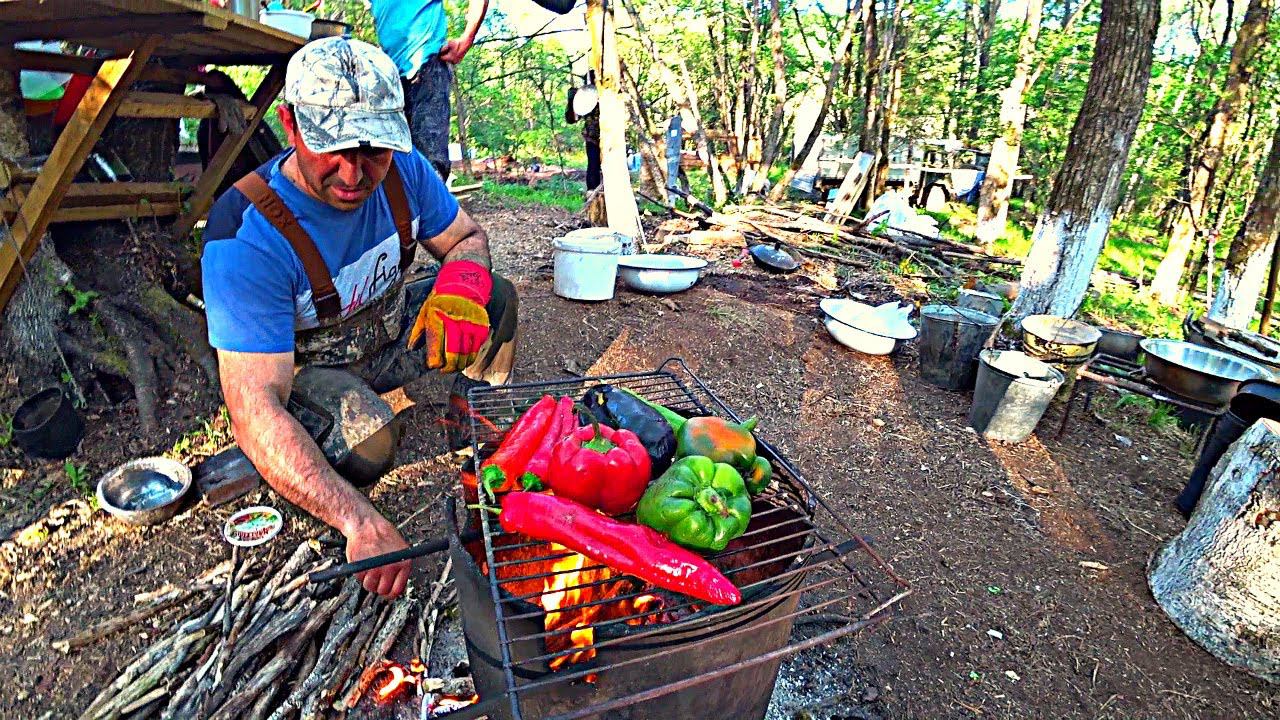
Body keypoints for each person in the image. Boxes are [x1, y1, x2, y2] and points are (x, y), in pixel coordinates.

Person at [200, 37, 518, 599]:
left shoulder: (407, 172)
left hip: (393, 331)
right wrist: (359, 522)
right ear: (290, 125)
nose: (353, 174)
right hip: (317, 370)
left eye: (373, 150)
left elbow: (467, 237)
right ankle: (348, 436)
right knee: (370, 444)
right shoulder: (245, 234)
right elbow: (252, 409)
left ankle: (477, 418)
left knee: (497, 296)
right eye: (334, 149)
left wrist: (460, 290)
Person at [370, 0, 490, 181]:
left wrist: (467, 39)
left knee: (429, 164)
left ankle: (433, 207)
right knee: (390, 164)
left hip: (426, 65)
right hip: (390, 76)